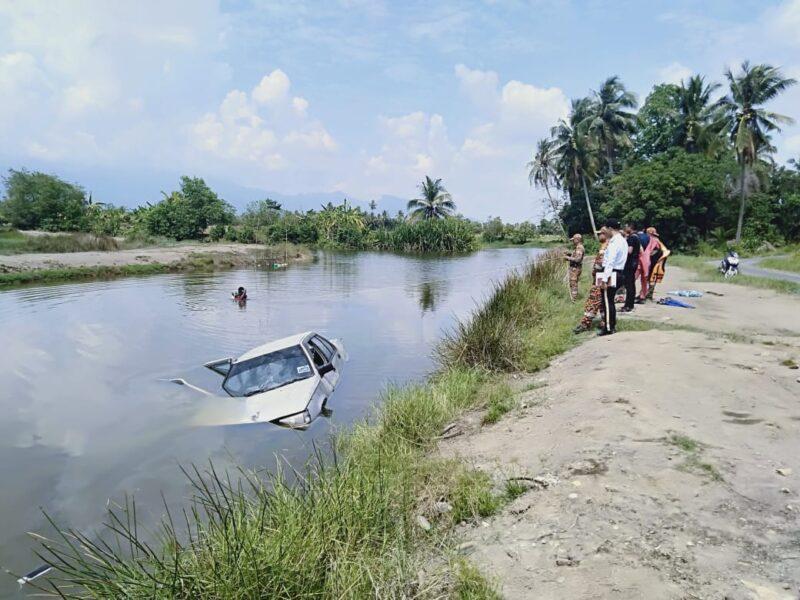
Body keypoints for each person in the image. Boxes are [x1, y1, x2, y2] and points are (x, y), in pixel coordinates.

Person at [573, 228, 608, 333]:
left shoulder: (605, 246)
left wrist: (595, 272)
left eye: (600, 234)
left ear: (605, 234)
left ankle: (585, 324)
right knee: (603, 301)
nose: (598, 236)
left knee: (593, 300)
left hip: (601, 276)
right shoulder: (608, 245)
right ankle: (605, 322)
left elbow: (600, 264)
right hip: (605, 276)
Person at [598, 219, 627, 336]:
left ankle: (609, 327)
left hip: (612, 272)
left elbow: (610, 262)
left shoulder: (615, 242)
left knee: (607, 301)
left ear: (610, 229)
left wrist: (604, 279)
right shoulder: (622, 240)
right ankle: (611, 325)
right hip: (619, 272)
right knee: (609, 300)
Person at [621, 224, 641, 313]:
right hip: (634, 262)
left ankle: (628, 305)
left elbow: (629, 251)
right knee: (631, 284)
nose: (625, 229)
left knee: (629, 285)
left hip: (630, 264)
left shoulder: (632, 238)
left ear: (630, 228)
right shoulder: (636, 237)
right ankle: (630, 304)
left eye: (626, 227)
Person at [646, 228, 670, 300]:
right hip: (657, 262)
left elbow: (653, 251)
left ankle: (648, 295)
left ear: (649, 233)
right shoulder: (657, 240)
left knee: (651, 278)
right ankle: (648, 294)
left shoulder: (654, 240)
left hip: (655, 262)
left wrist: (647, 255)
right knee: (651, 278)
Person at [637, 227, 659, 303]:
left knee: (633, 278)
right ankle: (643, 296)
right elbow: (656, 250)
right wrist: (649, 254)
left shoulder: (641, 238)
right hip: (648, 261)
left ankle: (633, 295)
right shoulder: (655, 240)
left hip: (639, 260)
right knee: (645, 280)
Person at [564, 233, 585, 301]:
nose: (572, 241)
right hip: (575, 268)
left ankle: (573, 299)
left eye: (573, 240)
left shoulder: (579, 247)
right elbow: (576, 256)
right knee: (573, 283)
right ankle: (574, 298)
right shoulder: (578, 247)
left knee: (573, 283)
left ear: (577, 240)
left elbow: (578, 259)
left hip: (575, 268)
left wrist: (567, 258)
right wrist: (569, 254)